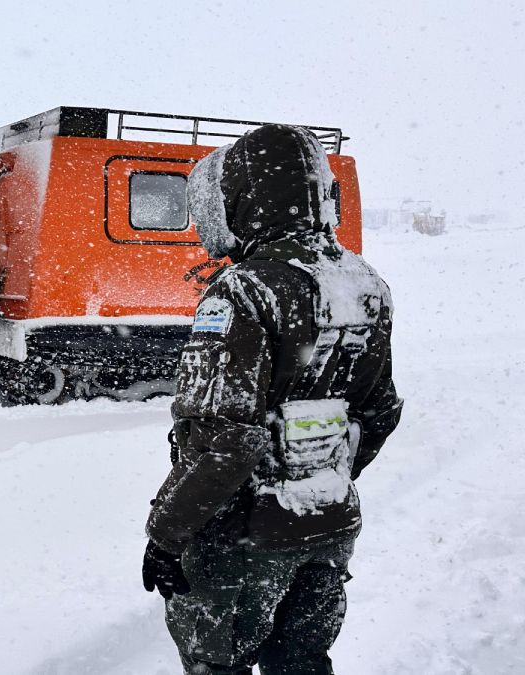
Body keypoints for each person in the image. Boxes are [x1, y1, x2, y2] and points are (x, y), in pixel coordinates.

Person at [141, 124, 403, 673]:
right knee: (304, 661)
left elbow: (225, 439)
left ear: (241, 198)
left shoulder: (245, 290)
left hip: (241, 539)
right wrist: (317, 477)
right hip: (330, 526)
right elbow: (379, 412)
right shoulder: (366, 284)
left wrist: (167, 533)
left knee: (220, 665)